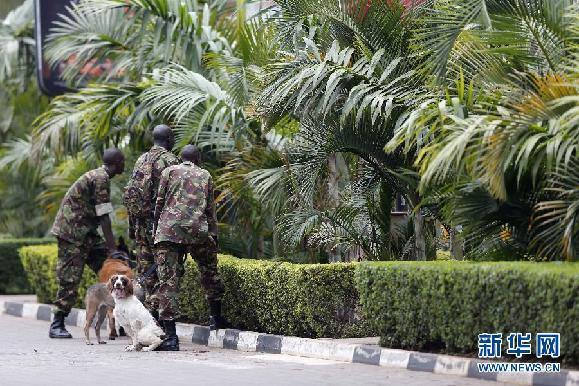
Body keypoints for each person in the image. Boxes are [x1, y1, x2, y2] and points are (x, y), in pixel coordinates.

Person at [153, 145, 229, 351]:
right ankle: (216, 318)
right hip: (198, 231)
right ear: (198, 159)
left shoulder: (168, 171)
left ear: (181, 158)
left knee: (168, 282)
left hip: (169, 231)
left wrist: (156, 233)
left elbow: (159, 204)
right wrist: (213, 236)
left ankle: (171, 338)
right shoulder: (205, 174)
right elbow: (210, 209)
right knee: (209, 272)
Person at [49, 148, 125, 339]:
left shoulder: (99, 176)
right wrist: (113, 249)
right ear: (116, 162)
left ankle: (120, 321)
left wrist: (112, 252)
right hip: (72, 234)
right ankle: (57, 324)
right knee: (70, 278)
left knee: (110, 269)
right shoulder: (101, 178)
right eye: (122, 161)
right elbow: (104, 216)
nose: (124, 164)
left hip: (86, 233)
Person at [123, 124, 179, 321]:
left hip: (140, 226)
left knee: (147, 273)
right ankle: (162, 325)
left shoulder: (141, 159)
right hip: (160, 227)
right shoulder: (171, 160)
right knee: (165, 274)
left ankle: (149, 320)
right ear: (169, 139)